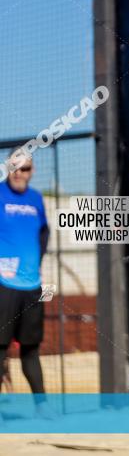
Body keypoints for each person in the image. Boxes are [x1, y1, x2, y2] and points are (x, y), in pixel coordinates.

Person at [0, 149, 52, 416]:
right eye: (16, 168)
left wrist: (36, 263)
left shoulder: (36, 198)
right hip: (3, 287)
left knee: (30, 350)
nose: (21, 173)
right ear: (9, 168)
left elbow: (44, 231)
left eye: (26, 169)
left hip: (32, 287)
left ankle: (42, 407)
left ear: (32, 172)